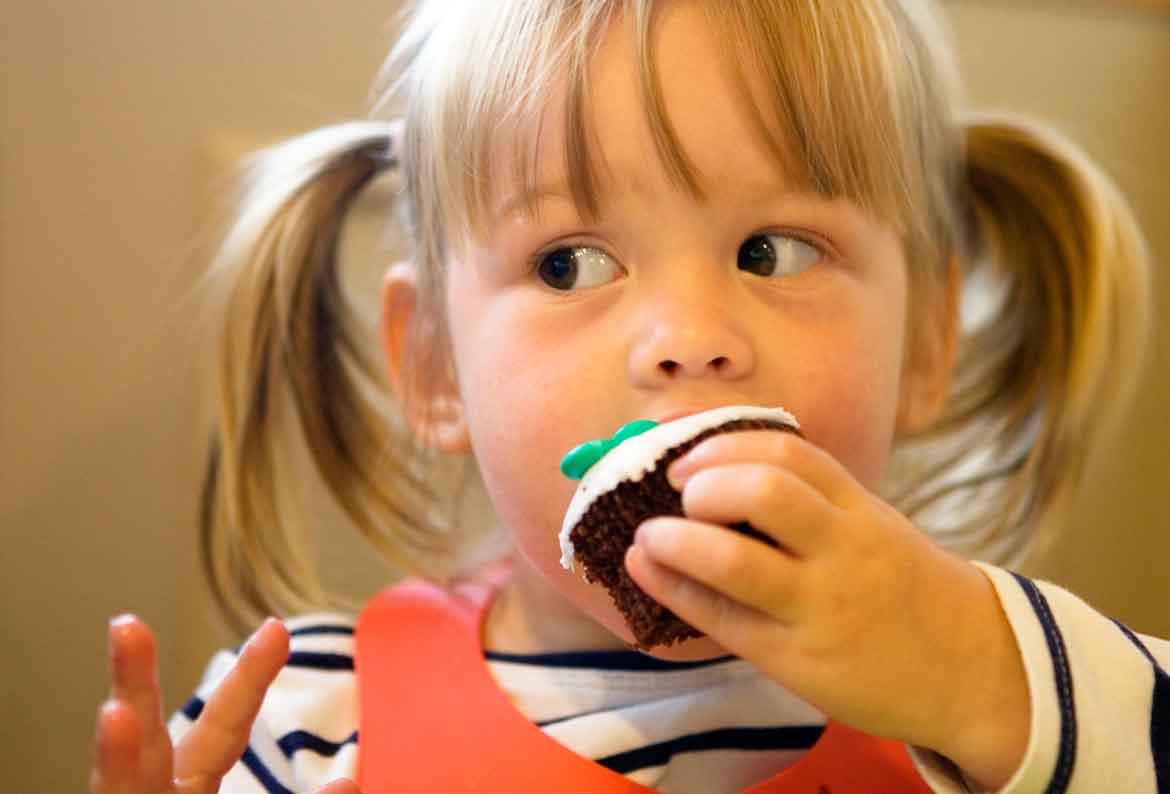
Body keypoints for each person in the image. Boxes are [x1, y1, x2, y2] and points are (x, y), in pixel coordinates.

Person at [89, 1, 1167, 792]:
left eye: (774, 248)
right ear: (435, 366)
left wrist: (981, 674)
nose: (690, 343)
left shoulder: (1017, 706)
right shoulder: (311, 721)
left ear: (927, 338)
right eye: (568, 263)